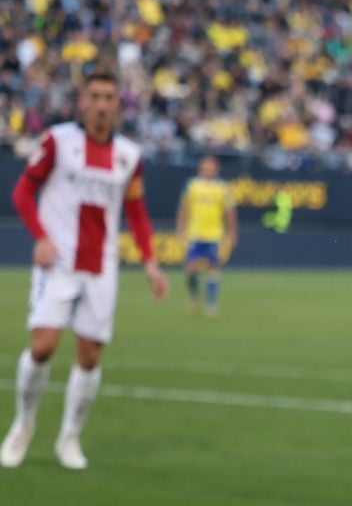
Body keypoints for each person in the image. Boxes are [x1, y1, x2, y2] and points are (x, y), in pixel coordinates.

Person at [4, 70, 168, 472]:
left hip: (101, 268)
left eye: (109, 97)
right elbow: (22, 192)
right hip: (58, 263)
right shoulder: (58, 142)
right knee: (42, 346)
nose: (101, 104)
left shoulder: (129, 156)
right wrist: (41, 236)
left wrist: (149, 260)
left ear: (118, 105)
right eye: (94, 96)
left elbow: (137, 211)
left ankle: (70, 437)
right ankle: (23, 424)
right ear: (82, 100)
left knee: (90, 357)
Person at [177, 155, 238, 316]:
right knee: (190, 268)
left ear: (216, 170)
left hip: (214, 235)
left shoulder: (222, 188)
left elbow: (230, 213)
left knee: (213, 267)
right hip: (195, 233)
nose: (208, 171)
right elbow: (184, 208)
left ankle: (211, 303)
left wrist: (232, 233)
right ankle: (194, 296)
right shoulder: (193, 186)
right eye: (205, 168)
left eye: (211, 168)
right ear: (201, 169)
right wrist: (180, 228)